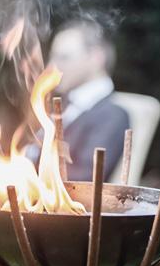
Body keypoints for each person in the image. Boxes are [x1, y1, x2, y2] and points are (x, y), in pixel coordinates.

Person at [45, 19, 129, 181]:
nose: (51, 68)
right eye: (52, 58)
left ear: (96, 58)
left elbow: (85, 178)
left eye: (63, 57)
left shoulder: (113, 115)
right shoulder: (63, 104)